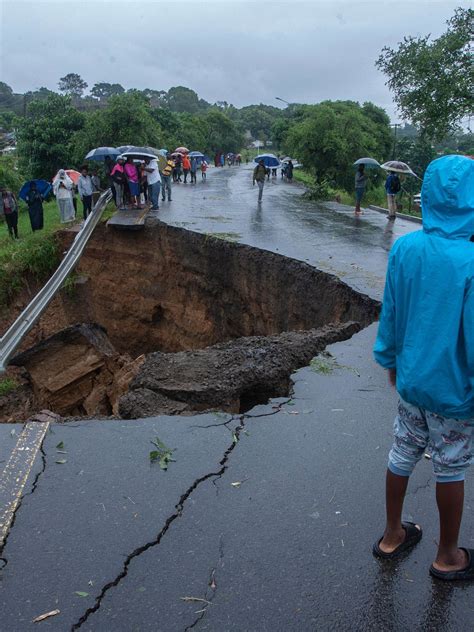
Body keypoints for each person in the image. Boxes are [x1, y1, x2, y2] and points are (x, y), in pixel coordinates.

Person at [372, 155, 474, 581]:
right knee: (449, 467)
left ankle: (393, 535)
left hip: (412, 382)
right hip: (453, 391)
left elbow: (392, 312)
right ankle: (447, 555)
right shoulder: (470, 259)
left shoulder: (406, 248)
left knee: (402, 454)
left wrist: (391, 360)